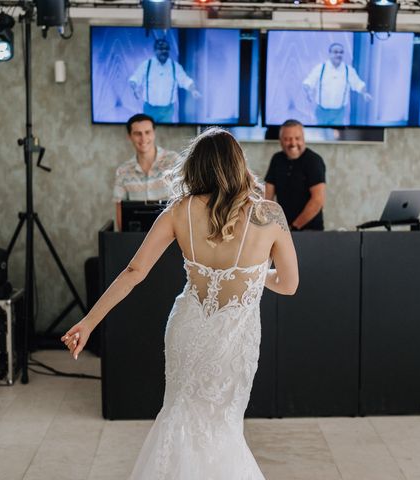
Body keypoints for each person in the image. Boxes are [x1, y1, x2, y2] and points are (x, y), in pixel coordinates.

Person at [63, 128, 299, 479]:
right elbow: (289, 284)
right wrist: (254, 274)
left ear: (197, 167)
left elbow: (134, 271)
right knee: (223, 426)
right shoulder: (270, 215)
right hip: (233, 339)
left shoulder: (179, 211)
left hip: (187, 328)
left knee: (178, 415)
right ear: (238, 164)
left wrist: (87, 323)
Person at [113, 113, 178, 231]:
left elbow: (186, 199)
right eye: (138, 134)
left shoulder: (173, 161)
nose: (143, 138)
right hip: (137, 237)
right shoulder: (123, 171)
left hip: (171, 235)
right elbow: (120, 209)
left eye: (147, 132)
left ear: (154, 133)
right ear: (130, 136)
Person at [264, 119, 326, 231]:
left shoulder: (314, 160)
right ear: (280, 140)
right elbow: (267, 198)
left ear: (303, 139)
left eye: (297, 138)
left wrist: (294, 227)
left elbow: (318, 200)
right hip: (282, 230)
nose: (293, 143)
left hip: (310, 232)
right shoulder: (276, 159)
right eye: (287, 139)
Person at [129, 38, 201, 123]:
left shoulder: (175, 66)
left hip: (167, 111)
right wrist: (134, 88)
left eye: (166, 49)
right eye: (161, 49)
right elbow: (135, 78)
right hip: (149, 109)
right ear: (155, 50)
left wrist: (193, 90)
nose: (164, 51)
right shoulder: (147, 65)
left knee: (164, 133)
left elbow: (185, 80)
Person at [302, 42, 372, 126]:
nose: (338, 54)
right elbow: (309, 81)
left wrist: (364, 93)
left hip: (339, 113)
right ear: (330, 54)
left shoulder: (348, 70)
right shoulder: (321, 68)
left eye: (341, 52)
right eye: (335, 52)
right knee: (320, 135)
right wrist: (308, 91)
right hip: (321, 111)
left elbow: (358, 84)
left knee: (335, 136)